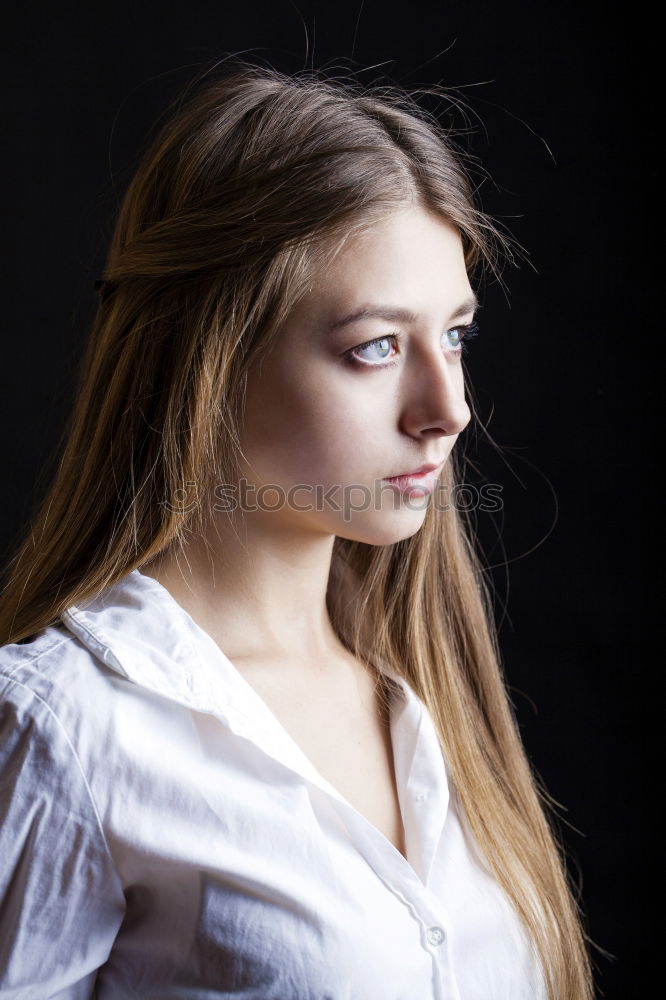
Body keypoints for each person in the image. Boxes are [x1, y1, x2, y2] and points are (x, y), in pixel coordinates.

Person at [0, 60, 594, 999]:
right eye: (374, 347)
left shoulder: (430, 692)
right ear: (209, 357)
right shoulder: (64, 726)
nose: (450, 409)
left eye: (457, 336)